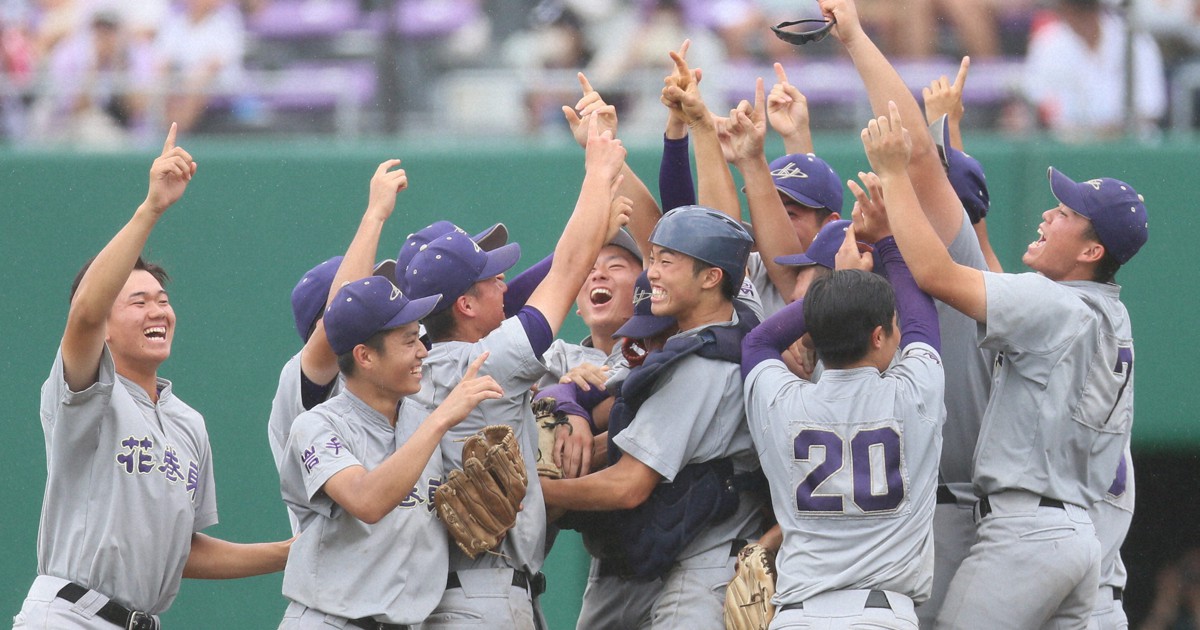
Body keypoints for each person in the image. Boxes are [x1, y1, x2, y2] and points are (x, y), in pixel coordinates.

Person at [856, 100, 1144, 630]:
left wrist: (895, 178)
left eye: (1066, 215)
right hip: (1081, 537)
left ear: (1091, 250)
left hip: (1026, 532)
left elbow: (941, 274)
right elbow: (999, 288)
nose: (1048, 215)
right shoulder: (1110, 314)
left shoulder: (1057, 305)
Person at [13, 124, 290, 629]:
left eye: (162, 301)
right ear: (108, 331)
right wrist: (152, 209)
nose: (156, 311)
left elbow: (180, 553)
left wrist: (289, 552)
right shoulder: (88, 391)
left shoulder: (189, 424)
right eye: (137, 302)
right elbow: (85, 314)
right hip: (71, 614)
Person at [404, 114, 627, 630]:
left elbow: (538, 285)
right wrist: (596, 175)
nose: (504, 281)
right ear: (463, 304)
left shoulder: (419, 363)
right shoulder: (482, 361)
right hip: (483, 597)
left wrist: (598, 223)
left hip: (467, 595)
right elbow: (567, 272)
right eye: (489, 278)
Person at [815, 2, 996, 624]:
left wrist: (856, 37)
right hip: (862, 529)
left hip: (950, 514)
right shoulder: (874, 278)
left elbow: (916, 157)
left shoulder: (966, 280)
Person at [541, 206, 765, 630]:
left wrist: (536, 494)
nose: (653, 273)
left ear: (711, 278)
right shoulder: (734, 326)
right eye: (654, 258)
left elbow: (628, 486)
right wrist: (567, 402)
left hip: (707, 571)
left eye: (667, 261)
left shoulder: (701, 365)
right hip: (691, 560)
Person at [741, 190, 943, 629]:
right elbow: (923, 321)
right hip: (880, 616)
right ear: (878, 336)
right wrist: (886, 241)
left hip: (797, 616)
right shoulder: (913, 396)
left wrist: (831, 288)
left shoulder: (783, 401)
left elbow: (758, 341)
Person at [277, 277, 504, 629]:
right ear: (365, 355)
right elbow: (366, 502)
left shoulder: (423, 420)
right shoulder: (317, 426)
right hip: (329, 621)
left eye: (421, 337)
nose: (423, 351)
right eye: (409, 341)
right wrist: (443, 417)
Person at [267, 160, 414, 534]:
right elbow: (339, 320)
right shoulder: (302, 387)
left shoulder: (394, 383)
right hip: (339, 584)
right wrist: (375, 215)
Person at [1023, 0, 1166, 142]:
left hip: (1130, 148)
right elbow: (1039, 105)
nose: (1079, 13)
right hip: (1067, 148)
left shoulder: (1136, 42)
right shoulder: (1047, 43)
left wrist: (1107, 133)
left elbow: (1150, 108)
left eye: (1085, 6)